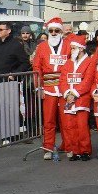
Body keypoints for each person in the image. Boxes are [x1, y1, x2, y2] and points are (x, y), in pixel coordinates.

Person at [33, 17, 71, 159]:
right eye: (51, 30)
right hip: (48, 88)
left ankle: (68, 145)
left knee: (66, 119)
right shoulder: (42, 47)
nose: (54, 33)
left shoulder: (68, 45)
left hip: (64, 87)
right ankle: (48, 147)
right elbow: (37, 68)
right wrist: (39, 88)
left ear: (61, 31)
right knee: (49, 120)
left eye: (56, 30)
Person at [59, 35, 96, 161]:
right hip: (69, 99)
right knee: (70, 126)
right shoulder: (68, 62)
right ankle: (74, 150)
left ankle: (85, 150)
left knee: (82, 125)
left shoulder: (89, 62)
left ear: (80, 49)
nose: (71, 51)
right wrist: (66, 93)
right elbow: (62, 80)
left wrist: (74, 93)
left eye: (73, 48)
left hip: (81, 98)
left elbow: (88, 81)